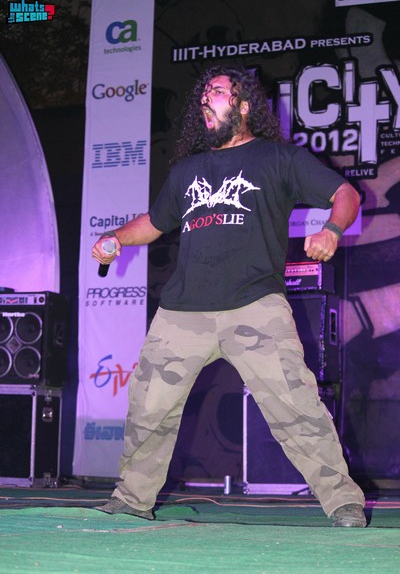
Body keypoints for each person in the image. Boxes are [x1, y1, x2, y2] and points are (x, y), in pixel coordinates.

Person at [92, 65, 366, 527]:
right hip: (182, 314)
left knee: (295, 406)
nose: (206, 99)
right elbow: (155, 222)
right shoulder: (188, 170)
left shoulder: (278, 158)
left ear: (243, 106)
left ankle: (342, 501)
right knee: (148, 408)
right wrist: (116, 237)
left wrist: (332, 230)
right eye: (203, 94)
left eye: (217, 92)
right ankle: (132, 499)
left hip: (255, 307)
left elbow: (346, 194)